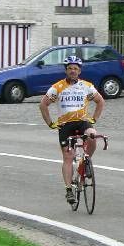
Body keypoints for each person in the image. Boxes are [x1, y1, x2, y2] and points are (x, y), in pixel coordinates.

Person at [39, 55, 105, 204]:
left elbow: (100, 101)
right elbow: (43, 105)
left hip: (82, 122)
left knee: (93, 136)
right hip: (65, 125)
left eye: (75, 68)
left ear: (80, 71)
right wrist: (50, 123)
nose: (73, 71)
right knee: (68, 157)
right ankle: (69, 189)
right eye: (70, 68)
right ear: (66, 70)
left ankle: (86, 161)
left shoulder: (87, 86)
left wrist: (93, 119)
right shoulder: (57, 87)